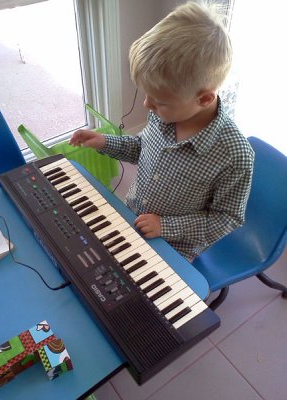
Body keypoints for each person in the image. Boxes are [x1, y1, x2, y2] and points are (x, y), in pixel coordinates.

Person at [69, 0, 254, 262]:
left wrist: (165, 226)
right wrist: (104, 142)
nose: (147, 105)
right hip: (131, 213)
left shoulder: (235, 156)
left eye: (159, 101)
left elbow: (227, 219)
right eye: (147, 96)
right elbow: (142, 149)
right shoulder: (163, 115)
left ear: (203, 99)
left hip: (172, 247)